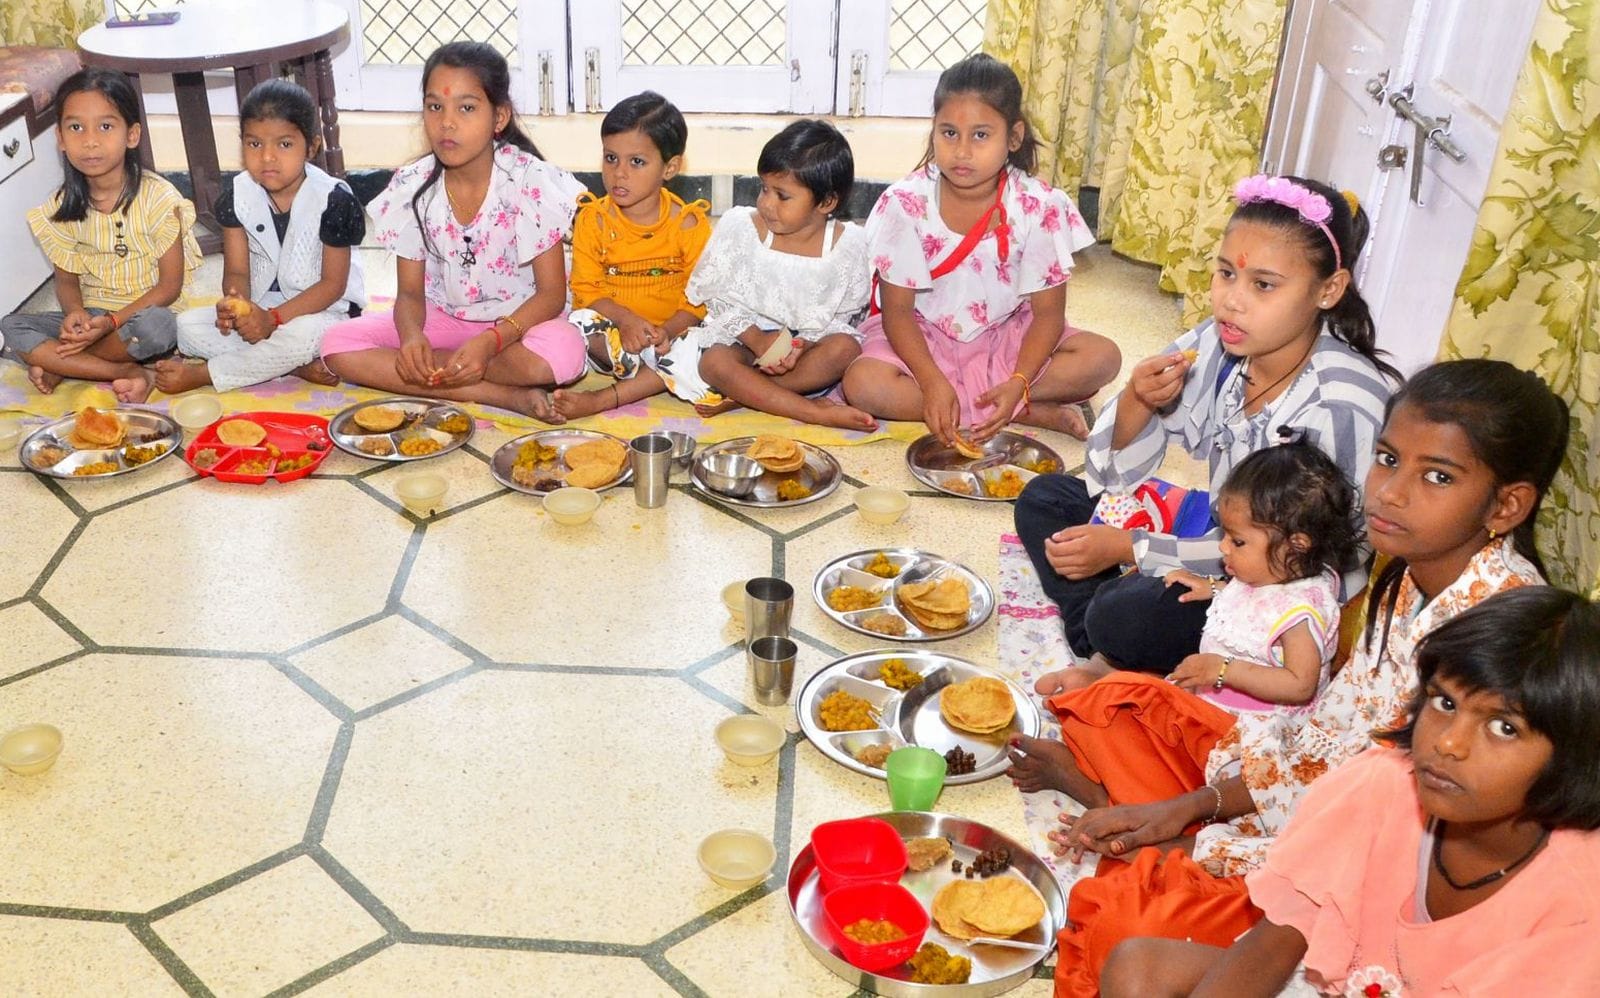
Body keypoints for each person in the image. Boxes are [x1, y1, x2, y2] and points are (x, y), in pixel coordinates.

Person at [1010, 359, 1567, 998]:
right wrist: (1198, 806)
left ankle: (1129, 817)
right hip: (1292, 791)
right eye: (1388, 459)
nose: (1390, 492)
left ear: (1507, 505)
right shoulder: (1409, 575)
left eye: (1437, 476)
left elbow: (1385, 839)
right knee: (1121, 701)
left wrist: (1200, 837)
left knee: (1124, 925)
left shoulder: (1506, 639)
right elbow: (1322, 737)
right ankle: (1131, 812)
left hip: (1342, 878)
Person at [1100, 586, 1600, 998]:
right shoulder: (1383, 784)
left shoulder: (1578, 908)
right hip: (1350, 983)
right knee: (1137, 965)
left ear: (1574, 756)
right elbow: (1277, 941)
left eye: (1504, 728)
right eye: (1445, 703)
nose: (1449, 743)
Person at [1017, 174, 1399, 693]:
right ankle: (1108, 646)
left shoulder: (1338, 405)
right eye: (1226, 274)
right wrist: (1137, 399)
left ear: (1328, 290)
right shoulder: (1226, 342)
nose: (1231, 301)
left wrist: (1133, 548)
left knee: (1127, 613)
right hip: (1225, 529)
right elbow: (1113, 475)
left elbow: (1310, 560)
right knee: (1045, 499)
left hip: (1283, 581)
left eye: (1263, 285)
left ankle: (1105, 647)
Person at [841, 53, 1119, 445]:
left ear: (1014, 137)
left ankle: (1006, 399)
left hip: (1009, 337)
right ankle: (1023, 409)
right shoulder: (905, 204)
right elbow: (898, 312)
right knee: (864, 383)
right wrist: (931, 381)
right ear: (933, 131)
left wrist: (1019, 380)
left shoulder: (1038, 206)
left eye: (981, 135)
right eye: (949, 133)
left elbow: (1047, 315)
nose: (962, 151)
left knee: (1103, 358)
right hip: (923, 337)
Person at [319, 42, 586, 417]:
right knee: (337, 344)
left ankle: (445, 371)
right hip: (444, 319)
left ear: (499, 117)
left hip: (519, 326)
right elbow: (409, 294)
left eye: (466, 108)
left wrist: (491, 342)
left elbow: (552, 296)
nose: (447, 122)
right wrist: (412, 339)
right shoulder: (414, 186)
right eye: (435, 107)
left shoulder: (530, 182)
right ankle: (500, 395)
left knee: (563, 354)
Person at [1, 68, 201, 403]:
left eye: (105, 127)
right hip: (94, 317)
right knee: (11, 326)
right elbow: (66, 280)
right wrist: (76, 313)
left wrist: (112, 322)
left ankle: (65, 365)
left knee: (158, 328)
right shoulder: (61, 206)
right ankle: (126, 370)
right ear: (60, 139)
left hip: (142, 315)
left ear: (132, 135)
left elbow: (170, 287)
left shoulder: (160, 198)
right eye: (76, 128)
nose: (90, 141)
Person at [157, 79, 366, 394]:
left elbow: (332, 286)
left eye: (284, 144)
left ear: (311, 147)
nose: (267, 157)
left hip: (324, 312)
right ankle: (293, 366)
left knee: (303, 336)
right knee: (187, 328)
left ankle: (206, 375)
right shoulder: (238, 195)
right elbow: (238, 272)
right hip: (264, 306)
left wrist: (274, 319)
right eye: (255, 144)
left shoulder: (334, 200)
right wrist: (235, 304)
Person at [685, 119, 877, 430]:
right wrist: (757, 340)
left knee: (845, 349)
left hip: (800, 360)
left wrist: (802, 346)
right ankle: (811, 411)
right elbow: (715, 296)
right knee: (714, 363)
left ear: (826, 202)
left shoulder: (848, 245)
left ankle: (747, 395)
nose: (766, 203)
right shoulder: (741, 227)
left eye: (782, 195)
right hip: (743, 343)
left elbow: (843, 317)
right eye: (764, 188)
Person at [550, 91, 719, 419]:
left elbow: (698, 301)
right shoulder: (594, 219)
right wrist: (626, 321)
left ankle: (605, 398)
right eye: (611, 158)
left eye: (636, 162)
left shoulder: (688, 224)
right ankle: (653, 375)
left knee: (707, 345)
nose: (619, 173)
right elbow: (586, 291)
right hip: (615, 331)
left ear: (670, 167)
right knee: (578, 324)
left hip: (671, 335)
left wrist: (666, 332)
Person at [1160, 439, 1358, 717]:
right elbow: (1257, 602)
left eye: (1237, 541)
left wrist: (1224, 670)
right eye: (1225, 535)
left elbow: (1300, 685)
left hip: (1253, 726)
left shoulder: (1299, 613)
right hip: (1215, 702)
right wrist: (1215, 588)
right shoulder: (1269, 573)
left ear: (1296, 545)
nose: (1223, 547)